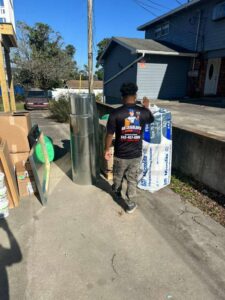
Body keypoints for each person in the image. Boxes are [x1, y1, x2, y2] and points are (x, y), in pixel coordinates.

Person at [104, 83, 154, 214]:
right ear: (135, 95)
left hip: (120, 154)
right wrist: (146, 107)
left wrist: (106, 150)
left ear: (122, 97)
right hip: (136, 154)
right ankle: (130, 204)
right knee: (132, 179)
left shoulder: (115, 113)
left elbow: (109, 134)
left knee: (118, 176)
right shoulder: (143, 112)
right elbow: (151, 119)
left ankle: (116, 191)